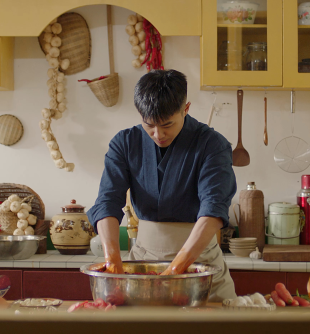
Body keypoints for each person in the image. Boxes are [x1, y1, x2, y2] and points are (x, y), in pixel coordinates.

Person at [87, 69, 237, 301]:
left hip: (200, 266)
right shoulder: (124, 143)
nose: (158, 134)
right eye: (149, 125)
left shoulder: (212, 145)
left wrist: (175, 271)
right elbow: (108, 202)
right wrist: (113, 262)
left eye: (167, 124)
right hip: (143, 263)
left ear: (185, 109)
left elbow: (214, 209)